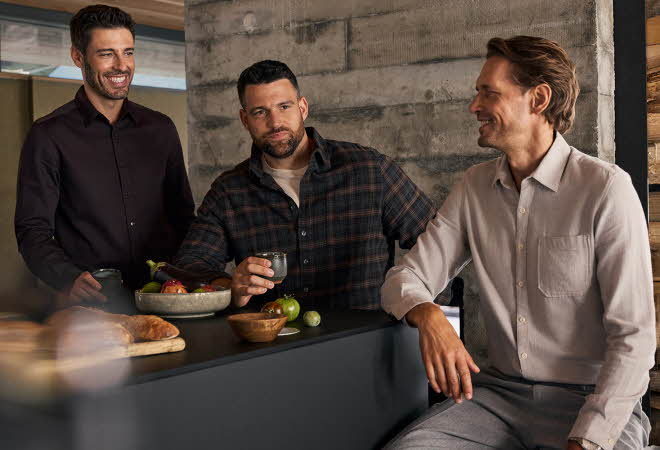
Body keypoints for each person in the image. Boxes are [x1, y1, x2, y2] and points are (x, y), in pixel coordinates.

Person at [381, 36, 655, 450]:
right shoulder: (473, 188)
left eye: (489, 93)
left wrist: (589, 439)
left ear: (539, 98)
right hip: (498, 398)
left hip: (593, 401)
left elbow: (634, 337)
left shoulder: (605, 189)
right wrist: (427, 314)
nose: (474, 106)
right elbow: (406, 276)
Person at [174, 59, 436, 310]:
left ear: (303, 107)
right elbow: (190, 265)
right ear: (244, 119)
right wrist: (230, 286)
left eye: (284, 107)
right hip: (271, 350)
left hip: (368, 343)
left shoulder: (370, 170)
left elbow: (438, 246)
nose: (275, 122)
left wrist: (422, 311)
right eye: (260, 112)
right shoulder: (229, 192)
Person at [15, 5, 194, 311]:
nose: (121, 65)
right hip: (93, 309)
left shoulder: (161, 129)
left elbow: (184, 216)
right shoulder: (48, 135)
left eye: (128, 52)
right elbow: (33, 229)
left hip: (167, 297)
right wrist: (68, 278)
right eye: (107, 54)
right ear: (78, 57)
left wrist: (195, 276)